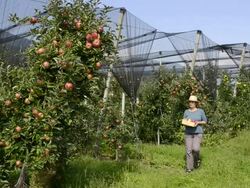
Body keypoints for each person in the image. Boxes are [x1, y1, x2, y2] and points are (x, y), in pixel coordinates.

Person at [183, 95, 207, 173]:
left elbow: (205, 121)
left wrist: (198, 122)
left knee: (196, 149)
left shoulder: (200, 111)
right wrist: (187, 122)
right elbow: (184, 121)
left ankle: (196, 161)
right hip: (188, 133)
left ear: (196, 103)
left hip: (197, 133)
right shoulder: (186, 111)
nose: (191, 103)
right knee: (188, 151)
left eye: (193, 102)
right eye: (190, 102)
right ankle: (189, 168)